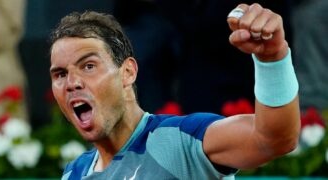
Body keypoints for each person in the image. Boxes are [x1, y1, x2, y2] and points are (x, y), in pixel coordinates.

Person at [49, 3, 300, 179]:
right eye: (60, 74)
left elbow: (274, 139)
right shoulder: (75, 173)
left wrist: (273, 59)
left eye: (89, 66)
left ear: (128, 72)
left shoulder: (180, 138)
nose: (72, 83)